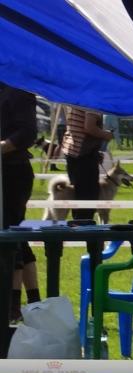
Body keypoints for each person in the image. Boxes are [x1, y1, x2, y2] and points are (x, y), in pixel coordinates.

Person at [1, 82, 40, 323]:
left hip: (13, 173)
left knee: (11, 239)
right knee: (18, 240)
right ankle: (34, 302)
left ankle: (12, 308)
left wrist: (3, 146)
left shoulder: (18, 90)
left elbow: (28, 132)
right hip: (4, 172)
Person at [60, 104, 113, 221]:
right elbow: (89, 127)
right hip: (82, 155)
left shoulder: (78, 100)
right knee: (88, 198)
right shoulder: (91, 101)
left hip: (73, 151)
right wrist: (106, 134)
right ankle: (85, 226)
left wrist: (94, 152)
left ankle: (78, 224)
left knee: (78, 196)